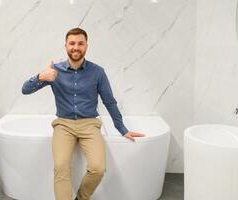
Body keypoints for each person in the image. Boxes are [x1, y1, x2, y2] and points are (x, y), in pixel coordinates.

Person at [21, 27, 145, 200]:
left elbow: (109, 101)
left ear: (86, 46)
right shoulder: (54, 71)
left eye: (80, 43)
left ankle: (81, 197)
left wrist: (122, 129)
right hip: (63, 125)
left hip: (89, 125)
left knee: (98, 168)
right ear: (65, 45)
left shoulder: (97, 72)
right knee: (60, 166)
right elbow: (25, 90)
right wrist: (41, 76)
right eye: (72, 43)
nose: (76, 47)